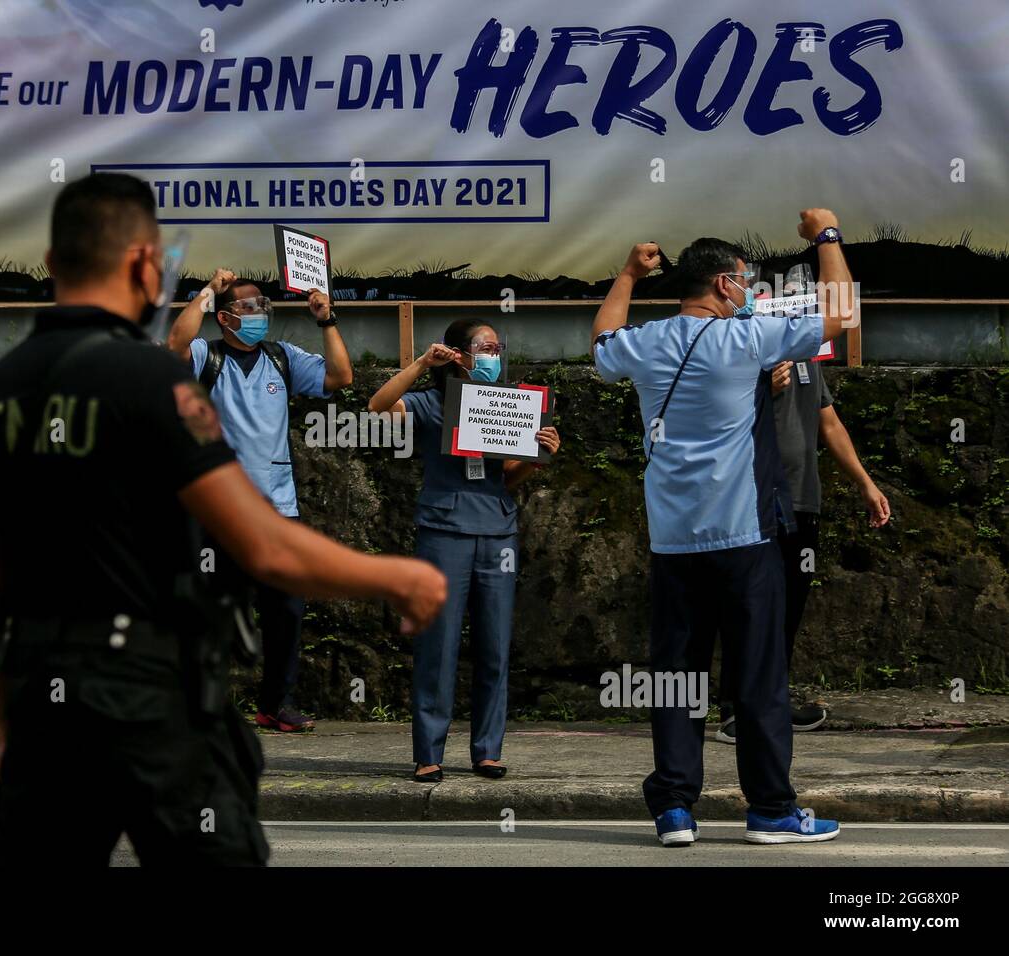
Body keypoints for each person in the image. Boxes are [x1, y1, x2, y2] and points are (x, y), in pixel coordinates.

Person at [0, 172, 445, 867]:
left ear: (50, 264)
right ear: (144, 263)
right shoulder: (152, 381)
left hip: (42, 701)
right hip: (149, 698)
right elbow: (267, 548)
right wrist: (396, 574)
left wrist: (12, 727)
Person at [590, 210, 852, 847]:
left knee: (677, 674)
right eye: (746, 281)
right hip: (743, 536)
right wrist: (827, 237)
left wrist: (626, 273)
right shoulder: (749, 338)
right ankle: (769, 811)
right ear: (723, 285)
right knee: (759, 675)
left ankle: (675, 810)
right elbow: (842, 314)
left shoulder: (648, 343)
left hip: (673, 543)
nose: (752, 291)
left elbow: (601, 342)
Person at [368, 320, 560, 781]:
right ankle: (428, 753)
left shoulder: (509, 405)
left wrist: (537, 458)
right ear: (459, 353)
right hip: (444, 531)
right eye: (484, 347)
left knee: (495, 646)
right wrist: (420, 363)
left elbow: (507, 478)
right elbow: (378, 406)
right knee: (439, 645)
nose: (493, 354)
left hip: (497, 531)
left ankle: (487, 750)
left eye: (498, 347)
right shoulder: (434, 403)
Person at [166, 268, 353, 732]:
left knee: (286, 612)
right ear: (226, 317)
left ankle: (275, 705)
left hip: (277, 512)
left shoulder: (281, 358)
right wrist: (208, 289)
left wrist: (326, 321)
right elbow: (175, 342)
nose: (260, 314)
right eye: (249, 308)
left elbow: (340, 376)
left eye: (264, 307)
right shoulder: (206, 359)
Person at [715, 351, 891, 743]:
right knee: (748, 604)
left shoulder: (809, 358)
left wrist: (865, 483)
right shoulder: (744, 349)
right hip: (754, 497)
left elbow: (828, 422)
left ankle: (771, 702)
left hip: (802, 499)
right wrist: (759, 386)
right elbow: (713, 413)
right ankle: (735, 710)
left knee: (788, 604)